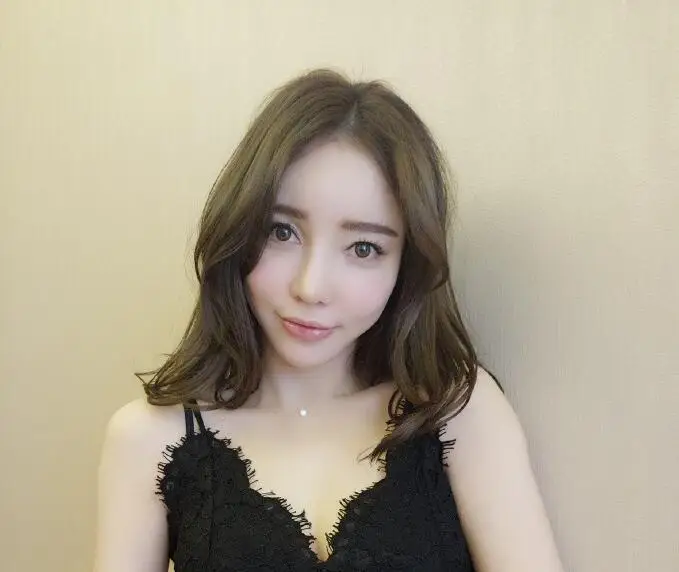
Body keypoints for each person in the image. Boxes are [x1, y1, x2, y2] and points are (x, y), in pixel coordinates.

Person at [94, 68, 564, 572]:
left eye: (363, 248)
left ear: (405, 266)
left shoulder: (458, 411)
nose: (311, 287)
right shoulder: (148, 441)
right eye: (281, 232)